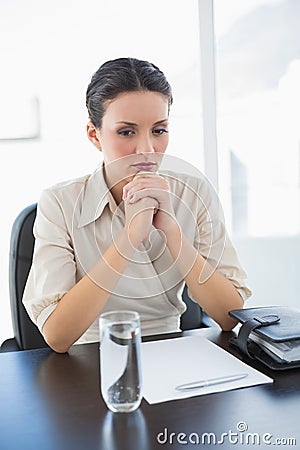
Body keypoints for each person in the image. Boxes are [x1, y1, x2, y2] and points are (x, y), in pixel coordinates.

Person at [23, 57, 251, 353]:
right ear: (95, 135)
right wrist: (130, 237)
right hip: (90, 360)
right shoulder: (60, 202)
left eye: (159, 130)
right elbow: (58, 336)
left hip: (173, 352)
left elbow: (228, 317)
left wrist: (171, 230)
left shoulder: (194, 193)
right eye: (127, 132)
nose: (146, 150)